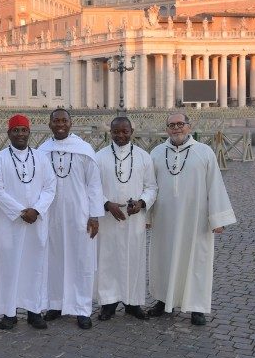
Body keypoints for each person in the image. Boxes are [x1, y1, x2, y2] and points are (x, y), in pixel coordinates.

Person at [147, 113, 236, 325]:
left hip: (196, 219)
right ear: (167, 129)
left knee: (197, 261)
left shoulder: (204, 152)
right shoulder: (156, 153)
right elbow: (150, 186)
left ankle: (196, 307)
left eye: (180, 124)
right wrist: (147, 216)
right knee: (163, 259)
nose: (176, 128)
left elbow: (215, 185)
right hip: (164, 219)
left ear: (189, 126)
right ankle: (162, 300)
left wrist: (218, 218)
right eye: (172, 125)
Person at [37, 108, 104, 330]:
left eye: (64, 120)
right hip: (51, 214)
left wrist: (94, 215)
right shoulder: (43, 151)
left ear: (70, 123)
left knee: (81, 261)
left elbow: (94, 185)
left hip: (80, 214)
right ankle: (55, 304)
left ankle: (82, 309)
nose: (60, 124)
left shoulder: (84, 150)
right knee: (53, 260)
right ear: (49, 124)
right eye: (56, 121)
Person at [0, 114, 56, 330]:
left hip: (36, 221)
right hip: (10, 224)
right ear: (8, 134)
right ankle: (9, 312)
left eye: (23, 130)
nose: (20, 134)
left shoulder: (41, 158)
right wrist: (20, 211)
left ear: (29, 133)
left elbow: (50, 187)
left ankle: (34, 310)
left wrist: (36, 210)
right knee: (9, 266)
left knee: (34, 266)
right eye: (15, 130)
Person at [94, 117, 157, 322]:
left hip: (133, 217)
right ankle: (109, 303)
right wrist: (107, 204)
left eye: (125, 131)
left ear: (132, 131)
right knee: (107, 259)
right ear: (110, 132)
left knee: (134, 258)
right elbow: (92, 188)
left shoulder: (143, 156)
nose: (120, 135)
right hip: (107, 217)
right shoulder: (99, 157)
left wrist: (141, 203)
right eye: (116, 132)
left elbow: (151, 187)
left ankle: (133, 302)